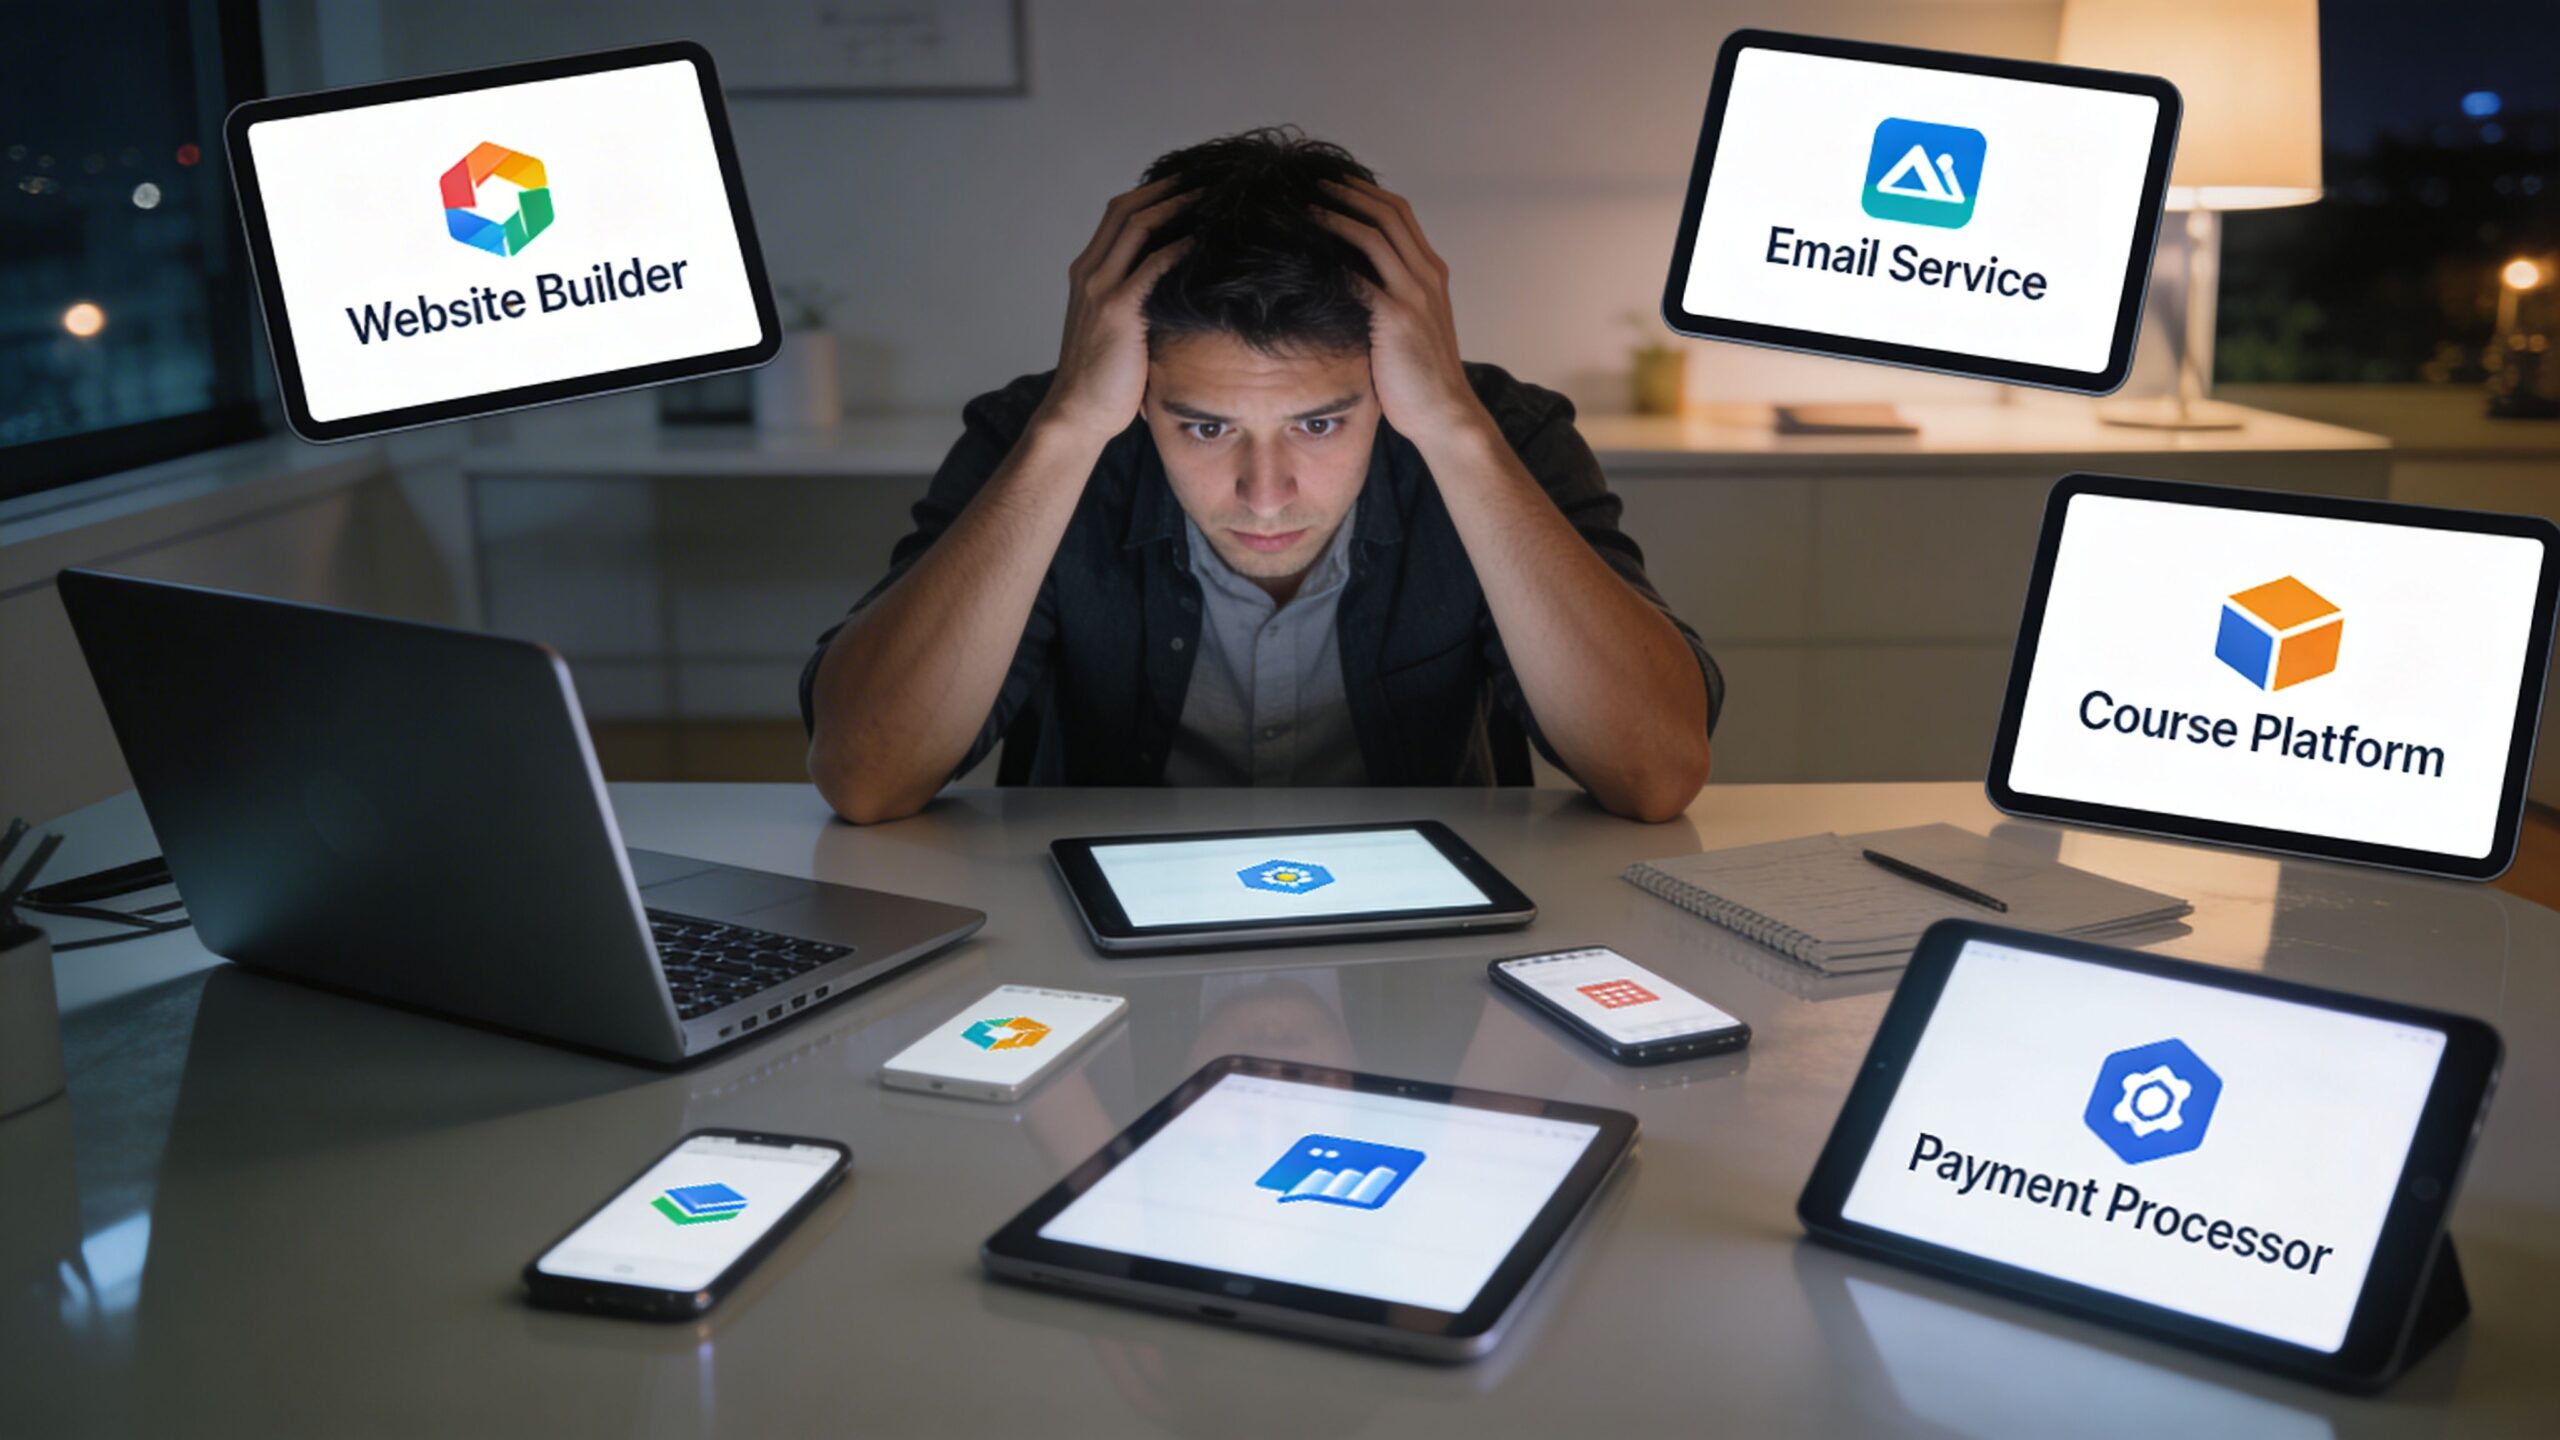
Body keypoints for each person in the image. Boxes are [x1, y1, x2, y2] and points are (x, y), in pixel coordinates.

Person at [801, 127, 1721, 824]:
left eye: (1320, 422)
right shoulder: (1039, 434)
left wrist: (1455, 431)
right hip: (1088, 940)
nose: (1267, 493)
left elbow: (1656, 773)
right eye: (1204, 426)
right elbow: (865, 775)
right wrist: (1067, 432)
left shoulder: (1502, 434)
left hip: (1426, 949)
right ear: (1136, 385)